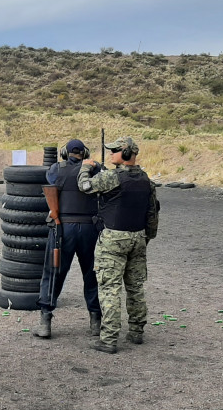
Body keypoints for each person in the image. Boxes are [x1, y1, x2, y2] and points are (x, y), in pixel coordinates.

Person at [77, 136, 158, 354]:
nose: (111, 154)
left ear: (124, 153)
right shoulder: (145, 179)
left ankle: (109, 339)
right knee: (135, 287)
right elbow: (152, 212)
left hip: (113, 238)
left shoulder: (112, 177)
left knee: (109, 288)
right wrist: (148, 237)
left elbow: (84, 187)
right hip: (138, 238)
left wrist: (85, 168)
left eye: (114, 150)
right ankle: (136, 332)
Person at [34, 139, 102, 339]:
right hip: (90, 228)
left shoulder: (57, 168)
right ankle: (95, 321)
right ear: (85, 153)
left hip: (63, 228)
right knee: (92, 274)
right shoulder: (96, 169)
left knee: (53, 273)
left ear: (65, 153)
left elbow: (51, 179)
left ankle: (45, 322)